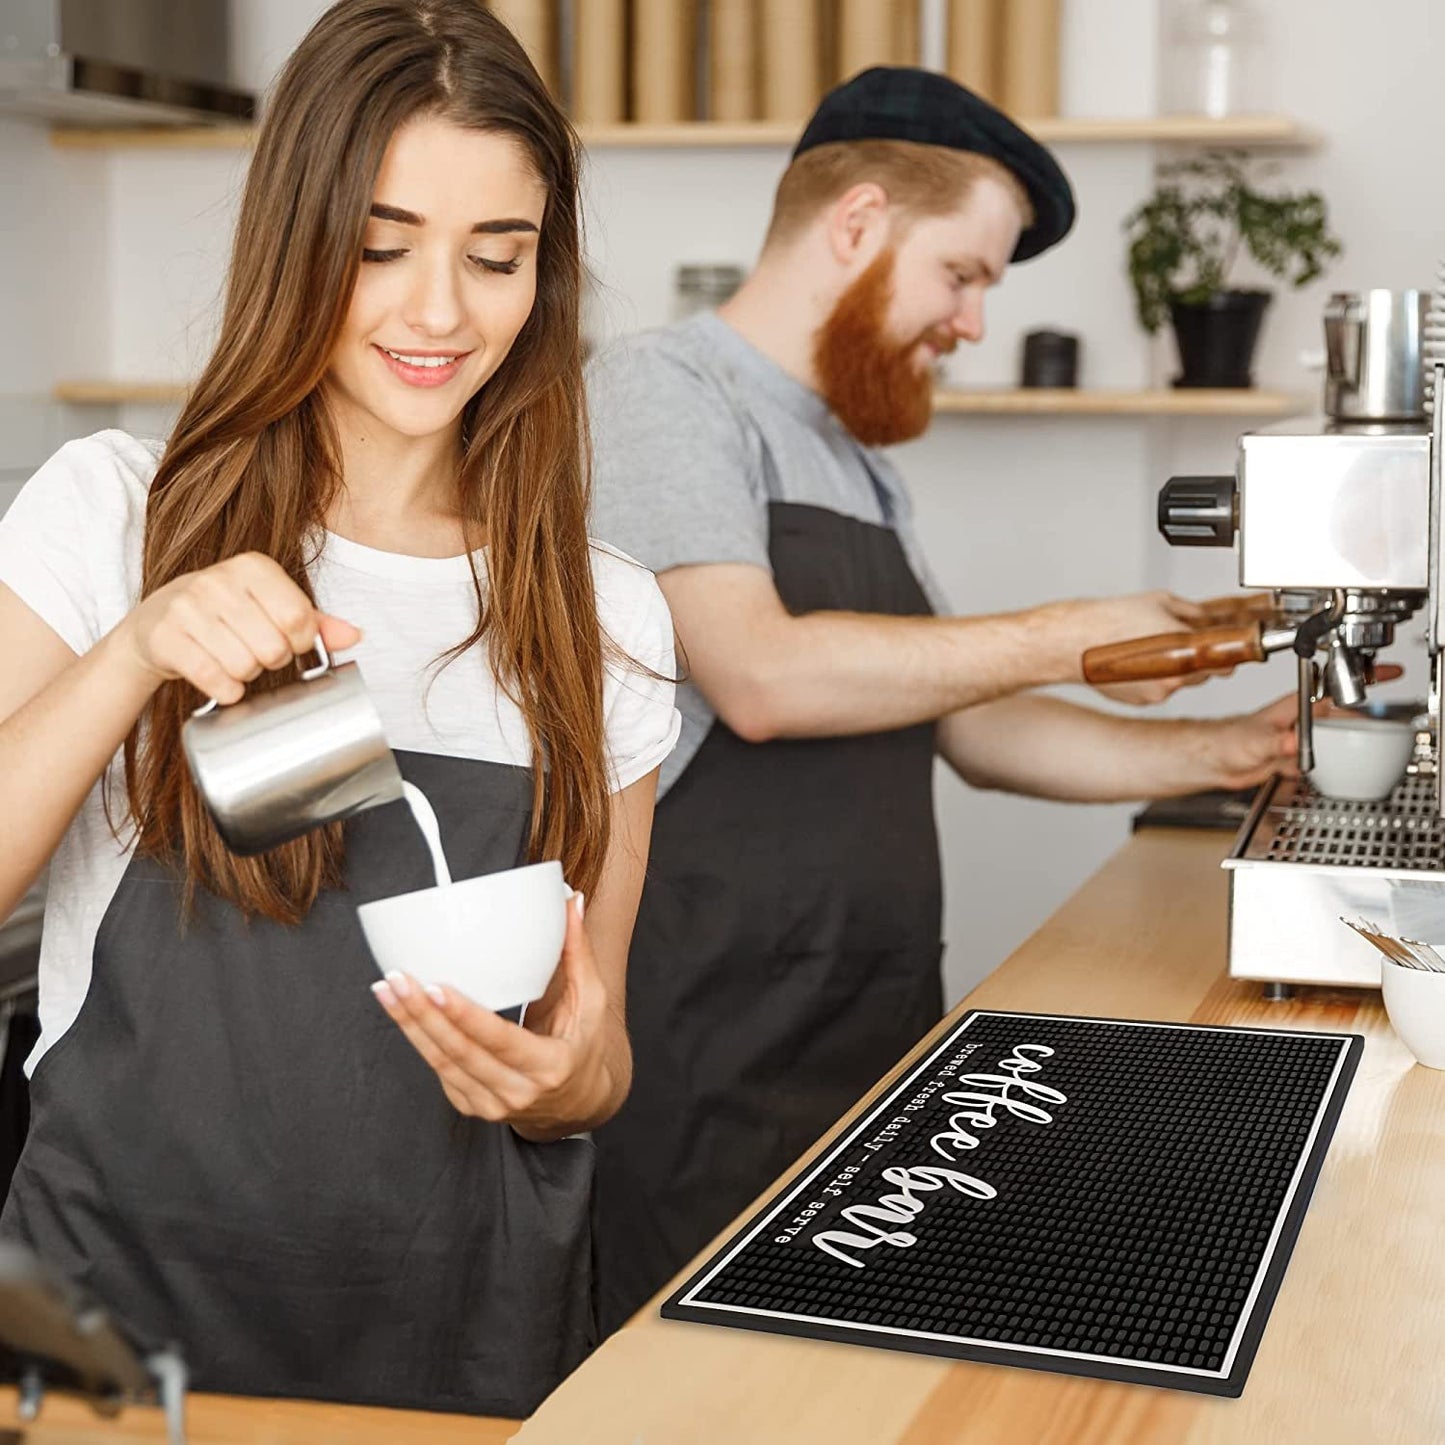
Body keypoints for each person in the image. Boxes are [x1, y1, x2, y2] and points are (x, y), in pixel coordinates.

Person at [0, 0, 677, 1418]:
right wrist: (134, 655)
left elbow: (595, 1042)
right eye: (382, 249)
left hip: (466, 1326)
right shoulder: (112, 514)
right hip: (123, 1321)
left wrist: (555, 1078)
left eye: (497, 257)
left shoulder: (599, 613)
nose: (440, 311)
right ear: (295, 241)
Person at [585, 66, 1299, 1334]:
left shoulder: (851, 455)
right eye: (964, 273)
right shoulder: (661, 391)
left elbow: (963, 722)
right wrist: (1071, 633)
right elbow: (757, 674)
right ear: (856, 222)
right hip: (704, 1030)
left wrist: (1220, 748)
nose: (970, 321)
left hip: (864, 1014)